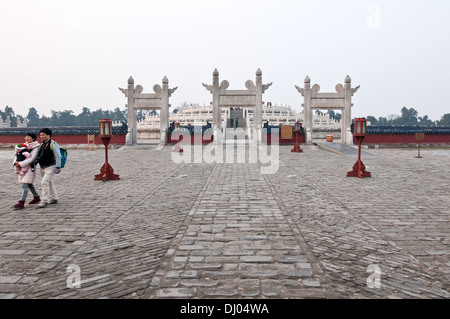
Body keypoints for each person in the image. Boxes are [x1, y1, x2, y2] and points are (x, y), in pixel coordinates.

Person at [12, 133, 41, 209]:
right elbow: (16, 155)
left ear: (33, 139)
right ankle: (36, 197)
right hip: (21, 167)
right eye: (26, 137)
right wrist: (15, 163)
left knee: (25, 184)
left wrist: (20, 163)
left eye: (29, 137)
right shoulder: (22, 145)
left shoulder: (36, 147)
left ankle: (21, 202)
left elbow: (32, 158)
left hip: (30, 167)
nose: (26, 138)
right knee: (29, 183)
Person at [35, 128, 61, 209]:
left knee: (44, 182)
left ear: (48, 135)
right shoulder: (42, 144)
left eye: (43, 135)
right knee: (48, 182)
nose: (41, 136)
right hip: (43, 166)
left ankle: (44, 200)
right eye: (40, 135)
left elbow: (58, 156)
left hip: (51, 166)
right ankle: (54, 198)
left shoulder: (53, 144)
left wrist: (58, 167)